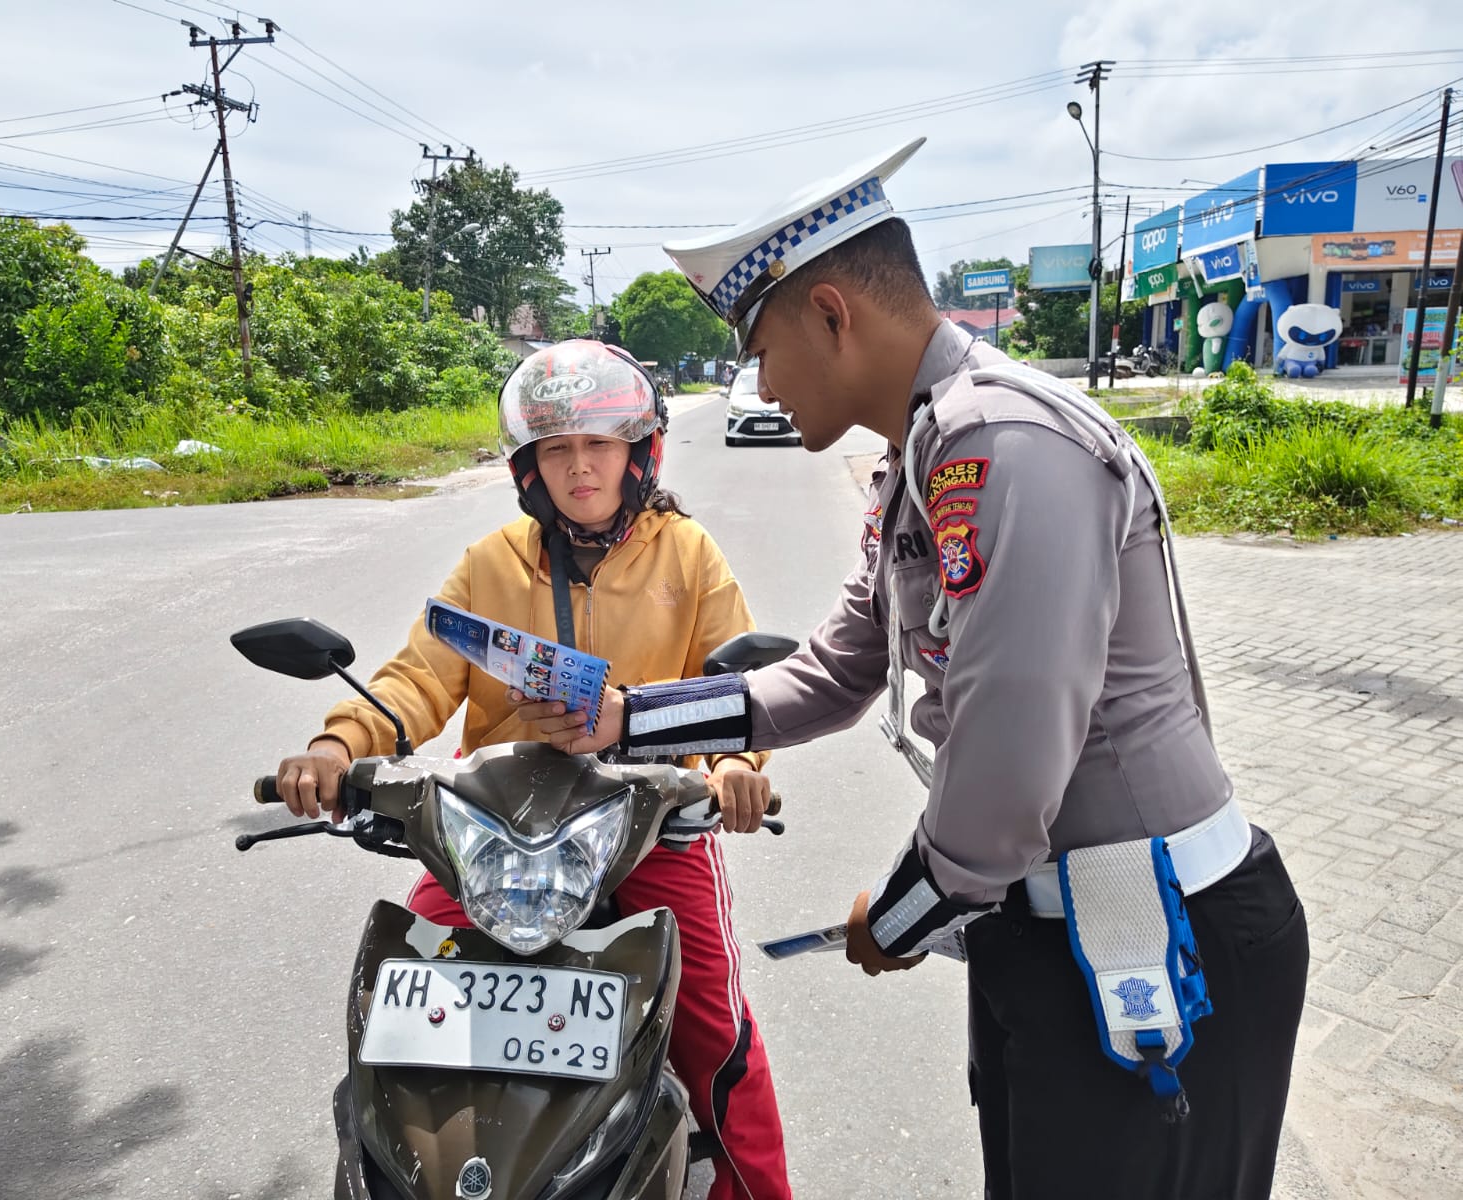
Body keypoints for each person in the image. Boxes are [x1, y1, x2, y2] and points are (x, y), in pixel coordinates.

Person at [511, 142, 1310, 1199]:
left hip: (1159, 937)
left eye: (762, 350)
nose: (760, 385)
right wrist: (628, 720)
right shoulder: (922, 459)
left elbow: (1009, 763)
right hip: (1055, 932)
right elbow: (831, 672)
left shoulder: (1004, 445)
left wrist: (900, 916)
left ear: (831, 315)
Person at [274, 339, 791, 1200]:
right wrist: (337, 747)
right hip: (494, 829)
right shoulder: (491, 564)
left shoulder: (688, 555)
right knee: (404, 1009)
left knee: (713, 1030)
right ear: (529, 465)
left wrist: (736, 765)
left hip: (652, 823)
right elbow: (416, 679)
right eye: (558, 449)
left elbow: (731, 686)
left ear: (638, 453)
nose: (580, 467)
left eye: (599, 445)